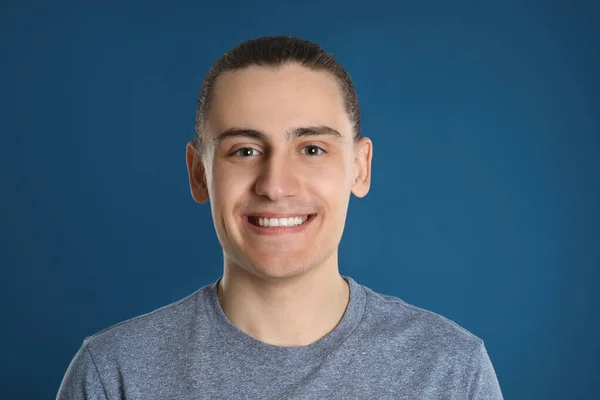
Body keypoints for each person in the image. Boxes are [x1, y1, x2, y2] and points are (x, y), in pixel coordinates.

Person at [57, 35, 503, 399]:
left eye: (311, 149)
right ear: (199, 174)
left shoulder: (450, 371)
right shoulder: (113, 375)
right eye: (245, 151)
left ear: (359, 167)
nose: (275, 184)